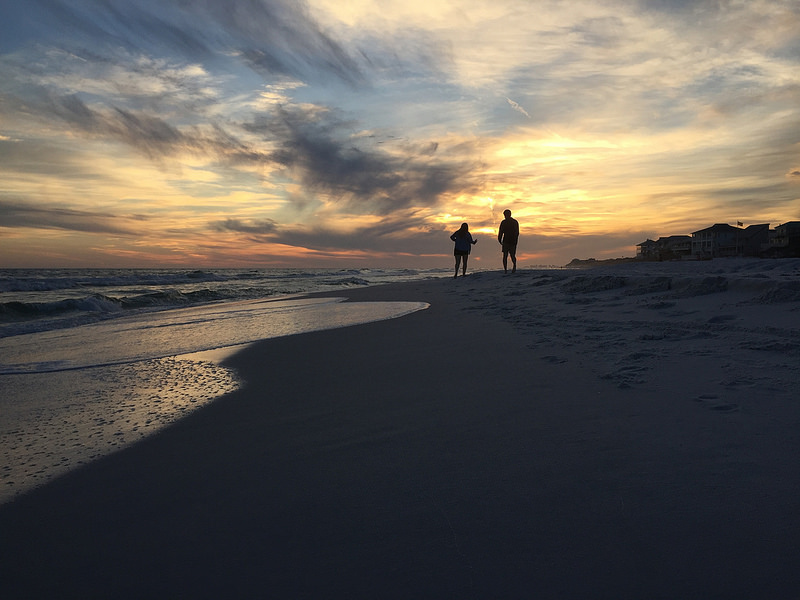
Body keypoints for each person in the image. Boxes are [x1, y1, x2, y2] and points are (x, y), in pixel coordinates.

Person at [497, 209, 519, 273]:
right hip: (507, 241)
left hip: (510, 241)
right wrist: (499, 239)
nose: (505, 216)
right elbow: (501, 231)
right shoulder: (506, 222)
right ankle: (506, 269)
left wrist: (499, 239)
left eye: (505, 215)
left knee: (510, 255)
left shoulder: (513, 222)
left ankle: (512, 267)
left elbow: (516, 232)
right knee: (507, 255)